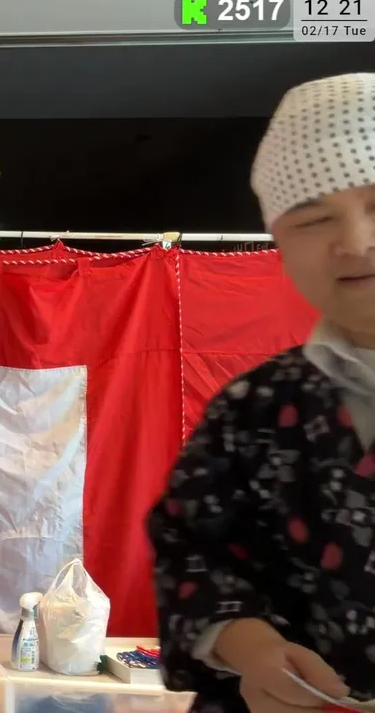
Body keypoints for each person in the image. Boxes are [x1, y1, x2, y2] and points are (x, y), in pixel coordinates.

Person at [148, 71, 375, 713]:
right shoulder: (254, 406)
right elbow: (190, 548)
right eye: (314, 219)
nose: (356, 243)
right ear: (278, 246)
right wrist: (251, 649)